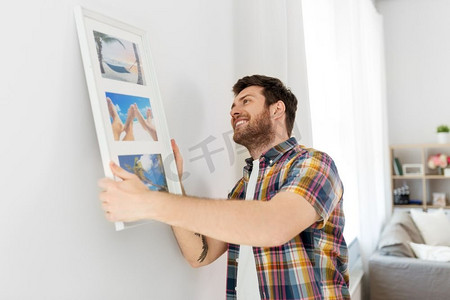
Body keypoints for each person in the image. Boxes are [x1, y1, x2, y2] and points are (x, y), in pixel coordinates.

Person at [98, 75, 349, 299]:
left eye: (246, 101)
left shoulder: (314, 164)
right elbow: (201, 254)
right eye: (232, 107)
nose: (234, 112)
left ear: (277, 109)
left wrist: (151, 203)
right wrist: (171, 186)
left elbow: (273, 225)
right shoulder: (243, 187)